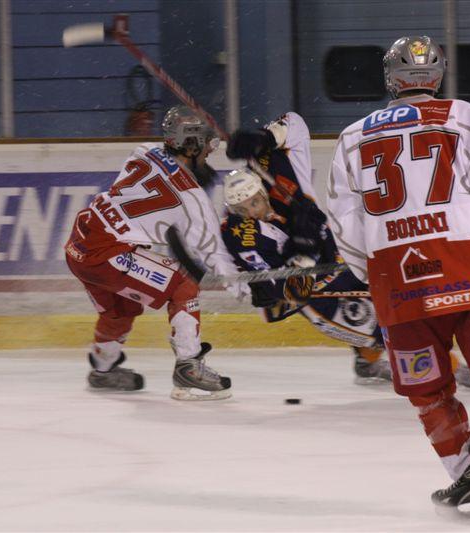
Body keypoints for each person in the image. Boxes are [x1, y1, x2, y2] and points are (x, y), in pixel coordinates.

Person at [328, 36, 470, 524]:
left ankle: (468, 477)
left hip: (397, 283)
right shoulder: (461, 116)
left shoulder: (351, 137)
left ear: (390, 77)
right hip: (469, 271)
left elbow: (345, 225)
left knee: (429, 393)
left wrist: (371, 274)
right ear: (437, 75)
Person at [64, 105, 244, 401]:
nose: (209, 154)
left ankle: (103, 369)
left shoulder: (144, 150)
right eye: (205, 148)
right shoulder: (194, 200)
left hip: (79, 243)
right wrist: (244, 286)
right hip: (108, 253)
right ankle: (189, 365)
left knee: (121, 309)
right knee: (184, 284)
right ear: (191, 145)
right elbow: (215, 254)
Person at [224, 113, 392, 384]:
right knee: (375, 329)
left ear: (262, 193)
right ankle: (374, 357)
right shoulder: (247, 232)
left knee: (392, 298)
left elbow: (296, 124)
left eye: (254, 203)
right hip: (314, 291)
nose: (251, 212)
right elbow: (291, 291)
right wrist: (301, 251)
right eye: (242, 210)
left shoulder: (276, 166)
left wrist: (264, 137)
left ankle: (369, 357)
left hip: (339, 252)